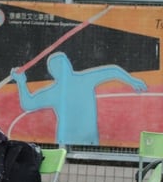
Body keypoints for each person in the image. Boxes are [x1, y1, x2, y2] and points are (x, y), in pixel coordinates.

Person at [10, 51, 147, 146]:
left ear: (69, 64)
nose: (62, 66)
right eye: (57, 66)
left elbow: (112, 71)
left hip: (90, 139)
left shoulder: (84, 80)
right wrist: (21, 82)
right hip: (65, 141)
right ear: (52, 72)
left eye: (63, 63)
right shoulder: (54, 92)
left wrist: (131, 80)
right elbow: (28, 104)